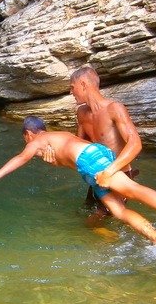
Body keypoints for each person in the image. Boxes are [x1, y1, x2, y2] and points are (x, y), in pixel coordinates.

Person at [0, 116, 156, 245]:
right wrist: (56, 163)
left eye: (26, 139)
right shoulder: (56, 136)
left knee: (132, 189)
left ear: (29, 134)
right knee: (118, 211)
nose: (28, 144)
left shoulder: (36, 141)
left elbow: (21, 158)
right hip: (90, 162)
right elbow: (67, 155)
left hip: (89, 160)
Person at [44, 65, 143, 215]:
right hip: (97, 177)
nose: (71, 92)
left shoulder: (114, 109)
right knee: (83, 216)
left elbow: (135, 144)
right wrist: (56, 159)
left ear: (83, 84)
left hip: (117, 175)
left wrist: (109, 172)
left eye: (72, 87)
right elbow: (77, 149)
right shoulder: (81, 113)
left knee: (95, 223)